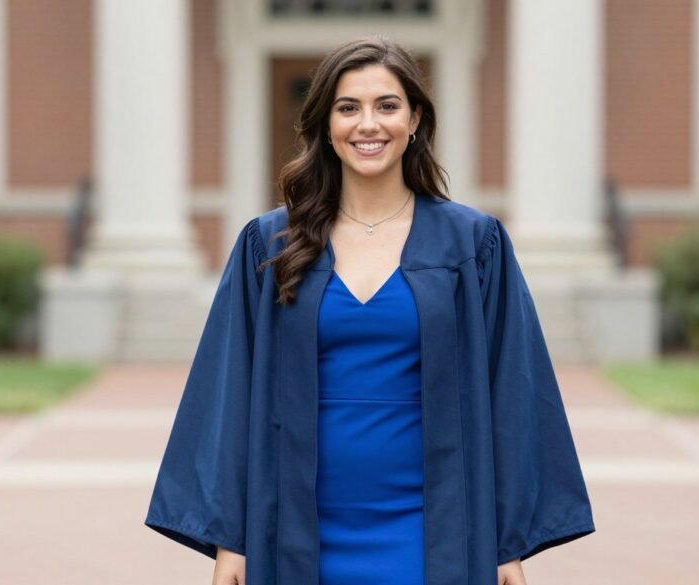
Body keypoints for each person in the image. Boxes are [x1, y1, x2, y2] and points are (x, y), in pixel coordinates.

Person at [145, 34, 595, 585]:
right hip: (296, 524)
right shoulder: (272, 243)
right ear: (325, 126)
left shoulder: (472, 244)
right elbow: (226, 391)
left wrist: (507, 544)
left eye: (387, 106)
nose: (368, 124)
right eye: (348, 107)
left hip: (434, 526)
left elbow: (514, 392)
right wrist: (229, 539)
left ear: (414, 121)